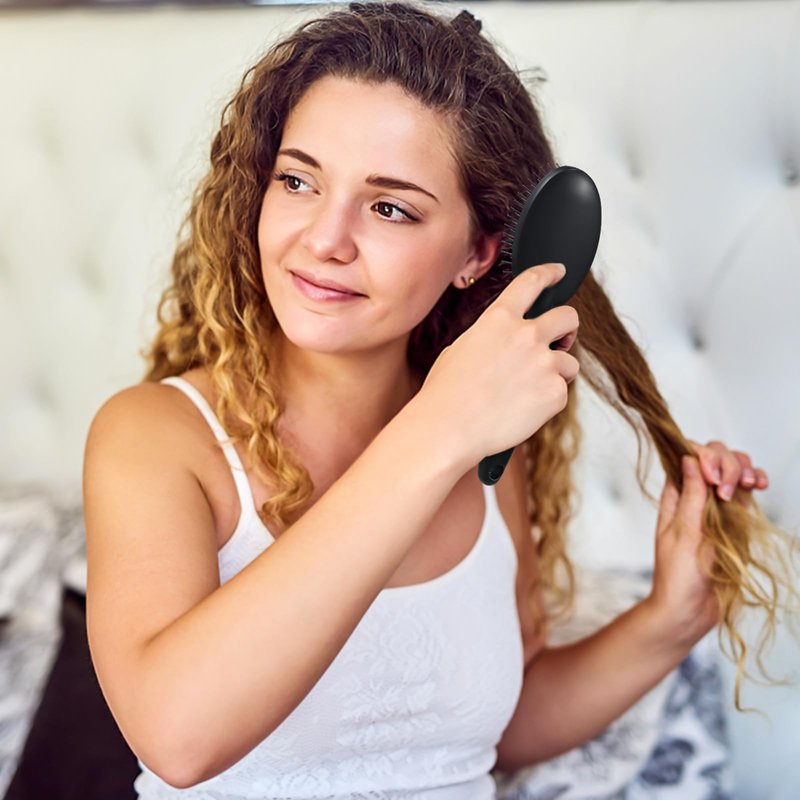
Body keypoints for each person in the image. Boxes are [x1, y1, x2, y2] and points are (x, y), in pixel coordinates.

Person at [81, 2, 796, 798]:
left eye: (389, 207)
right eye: (298, 180)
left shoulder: (486, 449)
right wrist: (436, 432)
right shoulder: (157, 437)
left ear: (476, 254)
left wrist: (669, 621)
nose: (325, 239)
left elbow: (492, 730)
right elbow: (179, 738)